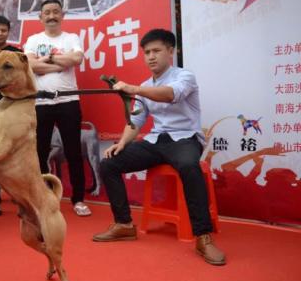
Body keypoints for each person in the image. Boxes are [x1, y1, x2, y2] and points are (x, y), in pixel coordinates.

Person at [92, 28, 226, 266]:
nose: (151, 57)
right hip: (156, 141)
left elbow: (170, 95)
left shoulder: (184, 77)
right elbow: (136, 121)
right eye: (146, 52)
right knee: (109, 163)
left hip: (185, 139)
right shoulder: (145, 85)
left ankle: (203, 237)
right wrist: (121, 143)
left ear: (170, 51)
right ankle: (123, 224)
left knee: (188, 165)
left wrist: (134, 89)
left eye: (156, 51)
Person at [23, 0, 89, 216]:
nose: (51, 16)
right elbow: (30, 65)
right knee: (39, 152)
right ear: (40, 17)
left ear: (63, 15)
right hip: (41, 103)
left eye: (56, 12)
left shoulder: (71, 38)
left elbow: (77, 59)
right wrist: (62, 61)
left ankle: (78, 199)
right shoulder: (33, 39)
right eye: (47, 13)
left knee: (73, 152)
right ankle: (45, 197)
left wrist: (48, 60)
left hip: (69, 102)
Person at [0, 15, 24, 216]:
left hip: (13, 108)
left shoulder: (17, 53)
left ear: (9, 32)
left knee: (15, 154)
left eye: (3, 30)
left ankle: (19, 196)